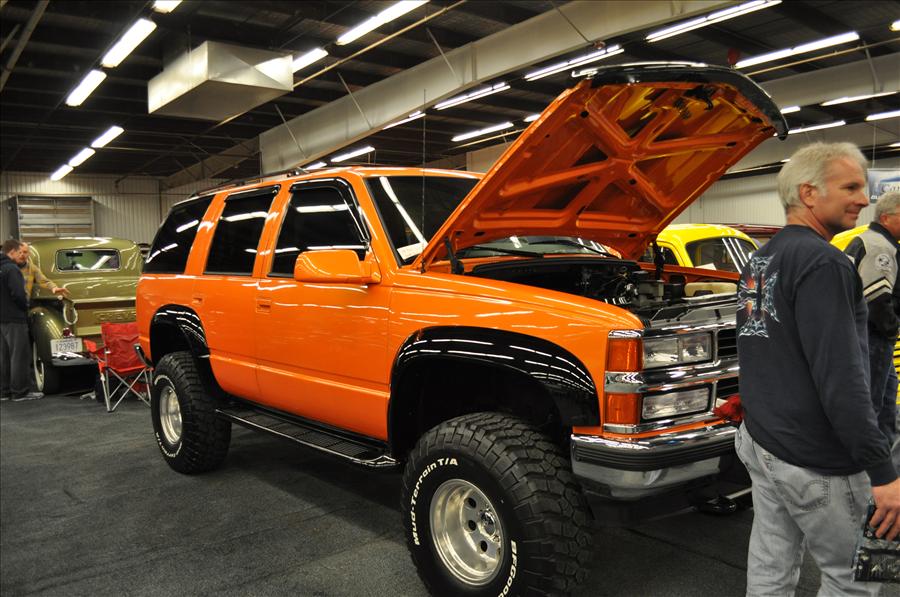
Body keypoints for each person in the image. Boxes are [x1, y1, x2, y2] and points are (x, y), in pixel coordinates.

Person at [735, 142, 900, 596]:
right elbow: (842, 380)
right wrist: (883, 473)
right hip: (817, 457)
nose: (863, 199)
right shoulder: (826, 263)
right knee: (855, 579)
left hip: (763, 440)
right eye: (850, 187)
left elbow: (759, 348)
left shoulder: (760, 258)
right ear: (808, 193)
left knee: (771, 565)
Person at [845, 190, 900, 444]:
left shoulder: (865, 239)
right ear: (886, 217)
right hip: (872, 336)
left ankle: (886, 455)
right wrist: (892, 329)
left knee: (886, 399)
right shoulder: (879, 246)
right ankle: (870, 461)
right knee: (872, 405)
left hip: (863, 334)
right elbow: (876, 299)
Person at [0, 239, 43, 402]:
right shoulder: (12, 269)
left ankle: (4, 392)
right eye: (20, 252)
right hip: (14, 318)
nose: (22, 256)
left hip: (2, 319)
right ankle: (20, 392)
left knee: (3, 356)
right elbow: (18, 294)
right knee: (19, 355)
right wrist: (25, 306)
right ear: (12, 251)